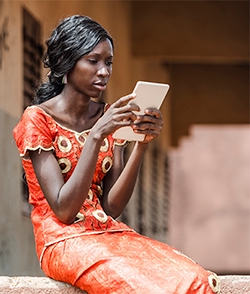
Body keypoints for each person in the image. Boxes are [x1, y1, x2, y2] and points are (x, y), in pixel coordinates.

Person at [13, 15, 218, 293]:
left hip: (107, 234)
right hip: (61, 241)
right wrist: (97, 135)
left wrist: (141, 143)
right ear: (66, 62)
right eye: (93, 61)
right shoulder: (37, 119)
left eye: (108, 62)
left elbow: (111, 207)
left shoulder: (110, 116)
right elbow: (63, 209)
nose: (104, 71)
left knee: (194, 278)